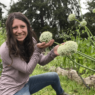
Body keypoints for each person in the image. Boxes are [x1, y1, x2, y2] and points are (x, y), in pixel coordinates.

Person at [0, 12, 69, 95]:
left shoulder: (31, 41)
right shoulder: (5, 49)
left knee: (54, 76)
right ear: (10, 30)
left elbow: (42, 61)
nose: (19, 31)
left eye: (22, 26)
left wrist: (52, 53)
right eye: (14, 27)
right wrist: (37, 49)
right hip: (11, 90)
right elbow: (27, 70)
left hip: (26, 83)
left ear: (28, 27)